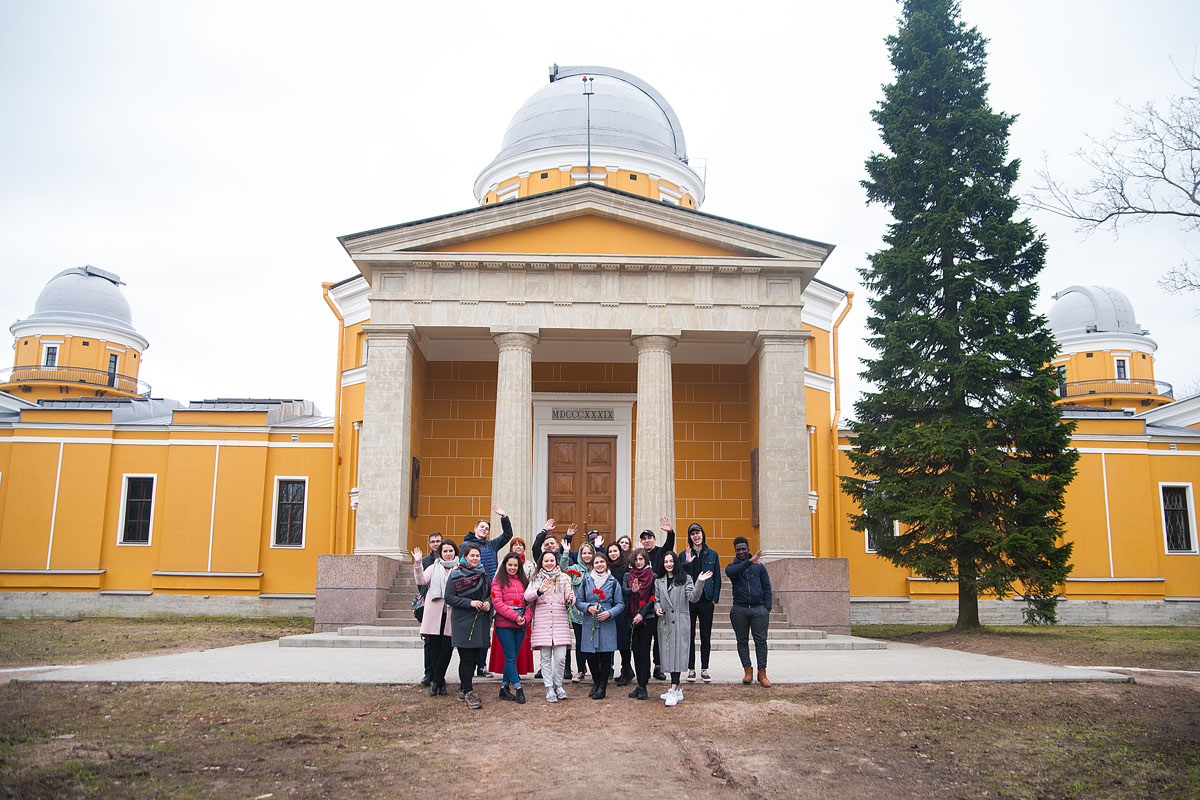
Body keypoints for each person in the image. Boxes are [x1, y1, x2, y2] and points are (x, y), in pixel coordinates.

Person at [654, 549, 711, 706]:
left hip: (680, 622)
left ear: (676, 562)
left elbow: (693, 598)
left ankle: (674, 688)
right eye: (666, 562)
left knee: (677, 657)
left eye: (671, 561)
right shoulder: (659, 581)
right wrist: (657, 608)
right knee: (669, 656)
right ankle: (677, 690)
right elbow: (656, 599)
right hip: (665, 622)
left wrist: (700, 581)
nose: (668, 564)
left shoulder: (686, 579)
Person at [462, 504, 513, 678]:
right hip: (473, 592)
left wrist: (504, 517)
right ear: (475, 529)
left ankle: (481, 666)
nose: (484, 530)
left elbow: (507, 535)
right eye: (482, 527)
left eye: (486, 528)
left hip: (489, 593)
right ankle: (470, 664)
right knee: (472, 629)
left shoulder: (492, 545)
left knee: (484, 631)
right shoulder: (466, 545)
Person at [444, 542, 492, 709]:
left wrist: (488, 603)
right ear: (465, 557)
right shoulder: (456, 574)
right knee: (466, 658)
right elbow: (449, 597)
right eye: (472, 555)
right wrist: (469, 603)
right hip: (463, 621)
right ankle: (468, 692)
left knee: (475, 657)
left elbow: (490, 595)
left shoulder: (484, 575)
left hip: (480, 621)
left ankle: (464, 688)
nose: (475, 558)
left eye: (477, 556)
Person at [525, 548, 575, 703]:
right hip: (543, 622)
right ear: (541, 562)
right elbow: (527, 596)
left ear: (556, 562)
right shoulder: (536, 579)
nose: (549, 563)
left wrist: (570, 599)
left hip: (560, 622)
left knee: (560, 658)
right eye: (546, 561)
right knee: (545, 658)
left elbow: (570, 599)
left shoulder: (565, 578)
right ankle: (548, 687)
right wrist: (539, 591)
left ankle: (559, 685)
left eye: (551, 560)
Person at [412, 538, 459, 697]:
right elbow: (421, 580)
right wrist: (418, 563)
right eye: (445, 551)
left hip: (452, 614)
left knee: (447, 649)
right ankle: (440, 682)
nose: (448, 554)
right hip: (435, 614)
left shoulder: (460, 568)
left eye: (451, 551)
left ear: (455, 552)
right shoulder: (433, 567)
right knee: (435, 648)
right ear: (440, 553)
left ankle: (437, 680)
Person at [575, 550, 625, 699]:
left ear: (606, 564)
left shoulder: (613, 582)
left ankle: (603, 686)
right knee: (590, 655)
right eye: (596, 562)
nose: (599, 565)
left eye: (602, 562)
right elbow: (578, 601)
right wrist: (588, 608)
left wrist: (610, 613)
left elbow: (620, 604)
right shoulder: (586, 581)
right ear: (593, 565)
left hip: (606, 622)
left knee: (605, 656)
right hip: (590, 622)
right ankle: (596, 682)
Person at [725, 537, 772, 687]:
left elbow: (767, 587)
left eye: (743, 549)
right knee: (742, 641)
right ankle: (747, 671)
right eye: (738, 549)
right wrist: (749, 562)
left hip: (759, 609)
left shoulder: (760, 567)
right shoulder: (732, 567)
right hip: (740, 609)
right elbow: (731, 572)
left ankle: (762, 672)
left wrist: (767, 608)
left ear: (748, 549)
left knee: (761, 641)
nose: (741, 552)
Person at [679, 522, 721, 683]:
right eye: (692, 534)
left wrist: (714, 599)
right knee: (689, 636)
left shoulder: (712, 554)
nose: (696, 536)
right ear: (689, 537)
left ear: (702, 534)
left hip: (706, 600)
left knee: (705, 636)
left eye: (698, 533)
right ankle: (691, 669)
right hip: (690, 601)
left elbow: (717, 578)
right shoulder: (683, 555)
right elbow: (680, 577)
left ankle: (704, 668)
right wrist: (687, 563)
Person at [489, 552, 530, 703]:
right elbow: (497, 603)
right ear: (504, 565)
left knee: (512, 657)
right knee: (511, 656)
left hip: (521, 625)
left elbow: (530, 603)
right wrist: (515, 616)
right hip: (504, 625)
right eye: (510, 565)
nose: (512, 568)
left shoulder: (524, 581)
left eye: (515, 565)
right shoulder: (498, 581)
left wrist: (526, 618)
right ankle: (518, 688)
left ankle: (504, 688)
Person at [641, 516, 677, 680]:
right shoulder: (640, 556)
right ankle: (644, 669)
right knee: (645, 637)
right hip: (644, 600)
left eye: (649, 538)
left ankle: (658, 667)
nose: (647, 540)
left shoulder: (660, 552)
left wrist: (670, 533)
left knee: (659, 635)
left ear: (654, 539)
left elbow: (669, 546)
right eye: (644, 538)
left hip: (659, 597)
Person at [623, 547, 657, 700]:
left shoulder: (652, 576)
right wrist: (633, 590)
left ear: (646, 560)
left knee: (644, 652)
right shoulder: (628, 575)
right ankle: (639, 684)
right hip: (631, 619)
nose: (638, 562)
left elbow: (653, 598)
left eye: (641, 559)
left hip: (646, 619)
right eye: (636, 559)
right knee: (635, 652)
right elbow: (624, 591)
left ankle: (644, 686)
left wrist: (641, 614)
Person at [414, 531, 442, 687]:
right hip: (429, 605)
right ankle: (428, 673)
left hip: (444, 607)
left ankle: (439, 674)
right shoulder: (425, 561)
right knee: (429, 642)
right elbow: (421, 583)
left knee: (442, 644)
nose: (436, 544)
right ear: (429, 544)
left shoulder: (446, 559)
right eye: (433, 541)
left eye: (438, 541)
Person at [564, 541, 594, 682]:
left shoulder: (597, 568)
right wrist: (565, 553)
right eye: (584, 553)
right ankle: (581, 670)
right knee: (580, 643)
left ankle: (596, 669)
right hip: (578, 614)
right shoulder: (575, 568)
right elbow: (564, 569)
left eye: (589, 553)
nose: (587, 556)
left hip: (593, 613)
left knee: (593, 642)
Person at [605, 542, 633, 686]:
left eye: (615, 551)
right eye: (610, 552)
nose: (613, 554)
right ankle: (610, 670)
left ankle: (626, 670)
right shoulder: (605, 568)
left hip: (623, 609)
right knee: (610, 641)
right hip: (609, 608)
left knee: (623, 643)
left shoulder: (626, 567)